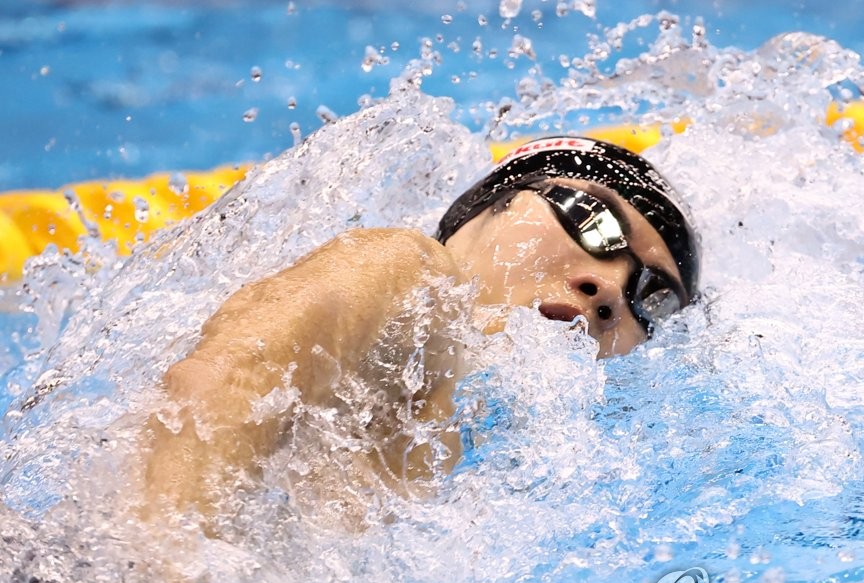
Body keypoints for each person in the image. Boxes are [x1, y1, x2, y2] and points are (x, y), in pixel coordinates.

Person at [140, 136, 700, 531]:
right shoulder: (408, 272)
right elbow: (229, 383)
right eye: (593, 221)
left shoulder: (505, 457)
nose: (607, 287)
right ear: (483, 210)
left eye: (652, 295)